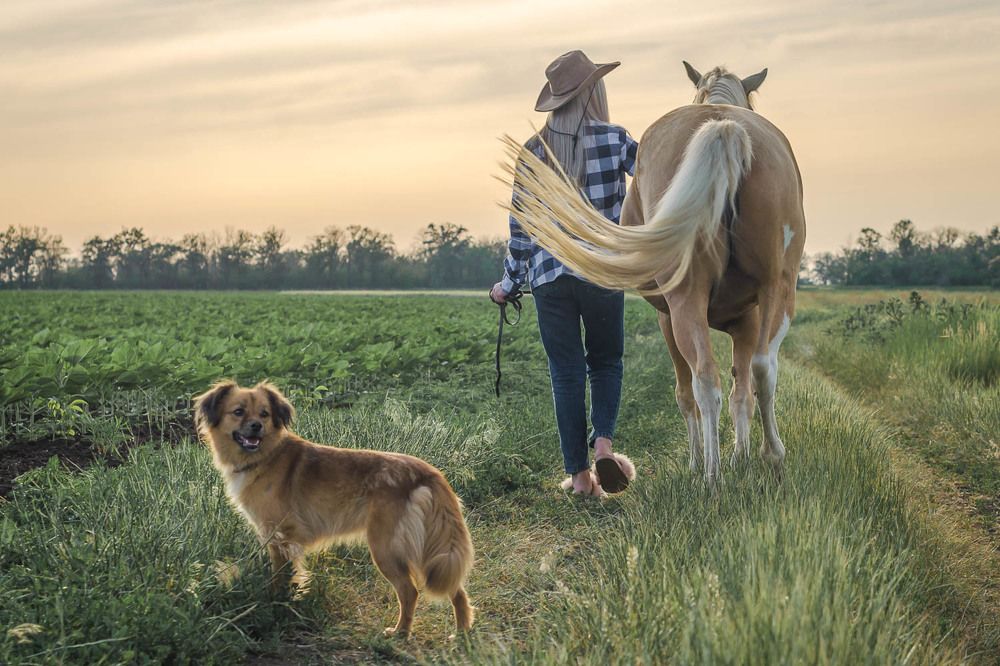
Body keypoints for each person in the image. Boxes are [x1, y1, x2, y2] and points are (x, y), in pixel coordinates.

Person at [491, 50, 638, 496]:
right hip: (602, 272)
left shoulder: (531, 153)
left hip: (549, 280)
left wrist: (507, 285)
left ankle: (578, 478)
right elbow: (655, 186)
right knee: (606, 361)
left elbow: (521, 233)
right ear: (593, 91)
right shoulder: (616, 139)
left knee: (566, 373)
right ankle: (604, 448)